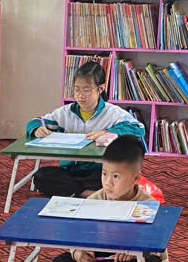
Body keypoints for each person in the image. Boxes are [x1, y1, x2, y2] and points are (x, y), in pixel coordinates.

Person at [49, 135, 164, 262]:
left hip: (130, 259)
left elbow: (157, 245)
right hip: (100, 255)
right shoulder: (94, 200)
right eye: (104, 174)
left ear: (136, 178)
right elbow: (76, 234)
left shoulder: (148, 205)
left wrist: (135, 252)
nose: (108, 182)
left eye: (116, 176)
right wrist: (77, 252)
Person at [27, 60, 148, 199]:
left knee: (116, 177)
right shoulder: (65, 112)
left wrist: (108, 132)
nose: (80, 95)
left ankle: (74, 192)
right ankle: (88, 194)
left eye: (86, 90)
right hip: (70, 171)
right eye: (77, 89)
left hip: (97, 172)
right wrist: (36, 128)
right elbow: (37, 121)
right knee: (41, 176)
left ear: (100, 89)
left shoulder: (112, 113)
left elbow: (138, 128)